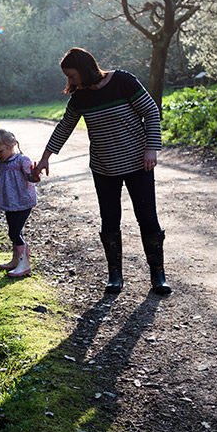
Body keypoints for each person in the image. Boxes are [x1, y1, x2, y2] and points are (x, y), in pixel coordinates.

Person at [32, 48, 171, 295]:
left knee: (147, 217)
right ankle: (114, 276)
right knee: (109, 220)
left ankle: (158, 275)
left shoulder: (123, 82)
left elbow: (150, 111)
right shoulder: (80, 98)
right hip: (104, 168)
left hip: (139, 163)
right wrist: (45, 157)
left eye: (72, 76)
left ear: (85, 70)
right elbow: (64, 127)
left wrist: (152, 148)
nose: (70, 82)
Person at [0, 128, 41, 278]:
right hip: (9, 204)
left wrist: (35, 175)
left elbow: (30, 177)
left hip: (23, 202)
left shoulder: (22, 160)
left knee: (14, 232)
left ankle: (24, 264)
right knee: (14, 231)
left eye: (0, 151)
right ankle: (16, 260)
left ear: (11, 145)